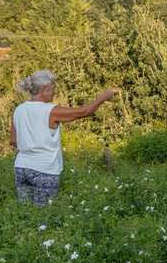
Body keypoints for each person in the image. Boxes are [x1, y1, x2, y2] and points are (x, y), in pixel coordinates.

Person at [11, 70, 116, 206]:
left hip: (21, 167)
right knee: (44, 214)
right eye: (53, 89)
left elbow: (13, 141)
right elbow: (84, 112)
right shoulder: (51, 111)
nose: (55, 93)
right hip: (44, 169)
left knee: (25, 211)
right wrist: (104, 97)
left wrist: (31, 142)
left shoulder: (18, 110)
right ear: (44, 89)